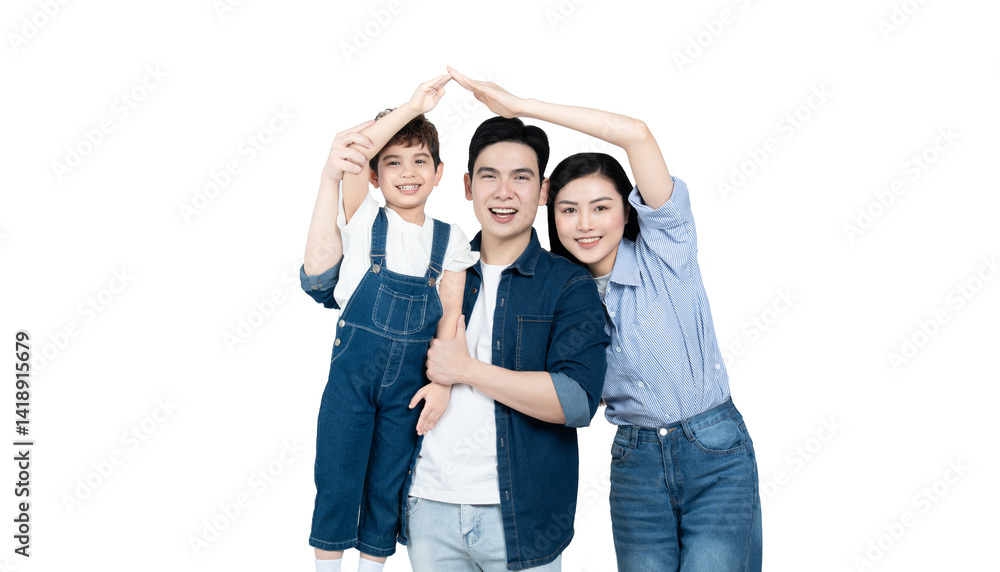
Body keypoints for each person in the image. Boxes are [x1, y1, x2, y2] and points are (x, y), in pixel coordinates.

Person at [446, 67, 763, 571]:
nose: (585, 224)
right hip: (635, 463)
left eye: (600, 207)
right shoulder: (559, 293)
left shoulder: (668, 251)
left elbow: (634, 133)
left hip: (713, 453)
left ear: (626, 211)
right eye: (569, 210)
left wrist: (522, 107)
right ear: (551, 212)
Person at [405, 113, 610, 570]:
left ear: (543, 191)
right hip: (428, 507)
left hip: (522, 517)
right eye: (489, 177)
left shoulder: (568, 283)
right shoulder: (432, 266)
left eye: (521, 178)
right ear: (466, 185)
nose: (504, 192)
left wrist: (465, 370)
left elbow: (576, 401)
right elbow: (323, 283)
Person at [299, 73, 479, 572]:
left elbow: (450, 318)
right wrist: (413, 105)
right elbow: (356, 146)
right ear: (374, 176)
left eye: (420, 160)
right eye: (393, 163)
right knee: (337, 473)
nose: (407, 172)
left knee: (387, 483)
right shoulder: (363, 218)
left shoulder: (452, 239)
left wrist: (441, 385)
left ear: (440, 172)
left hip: (409, 385)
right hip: (351, 379)